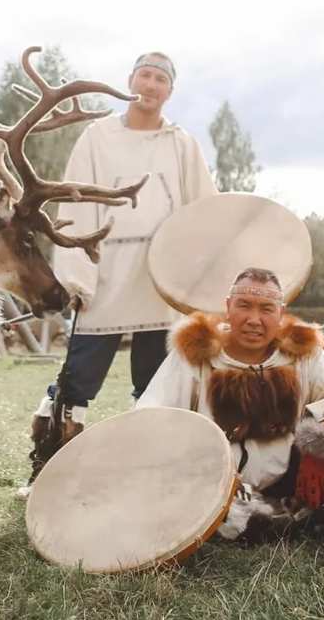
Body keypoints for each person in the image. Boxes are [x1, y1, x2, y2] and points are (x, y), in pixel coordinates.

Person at [20, 52, 217, 494]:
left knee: (155, 382)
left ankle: (149, 474)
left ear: (170, 90)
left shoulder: (181, 143)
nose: (150, 85)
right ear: (129, 80)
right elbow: (74, 201)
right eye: (144, 75)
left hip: (161, 283)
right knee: (77, 379)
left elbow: (202, 209)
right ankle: (48, 473)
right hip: (104, 276)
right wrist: (75, 275)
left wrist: (196, 277)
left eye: (160, 79)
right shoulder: (98, 136)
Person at [135, 267, 324, 566]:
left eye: (266, 309)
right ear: (228, 307)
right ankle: (303, 520)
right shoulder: (194, 357)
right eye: (244, 306)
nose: (254, 319)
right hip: (231, 496)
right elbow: (151, 417)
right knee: (212, 501)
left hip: (299, 482)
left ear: (280, 313)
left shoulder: (303, 355)